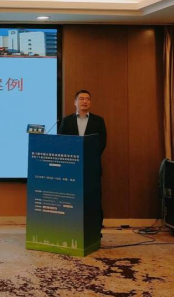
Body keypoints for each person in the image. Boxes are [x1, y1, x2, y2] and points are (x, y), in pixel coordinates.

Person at [59, 89, 107, 237]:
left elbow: (102, 143)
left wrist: (88, 158)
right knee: (71, 199)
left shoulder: (98, 121)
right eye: (81, 99)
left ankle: (95, 231)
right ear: (75, 102)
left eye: (87, 99)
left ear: (90, 102)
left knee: (93, 200)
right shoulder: (67, 121)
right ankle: (70, 229)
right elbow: (61, 142)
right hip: (71, 168)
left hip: (91, 168)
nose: (84, 101)